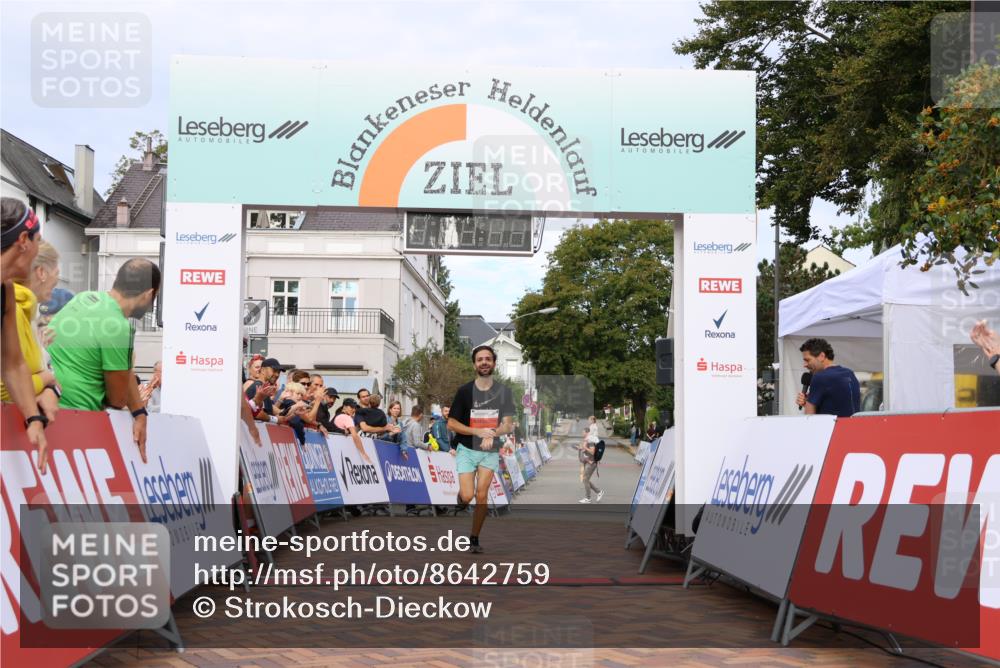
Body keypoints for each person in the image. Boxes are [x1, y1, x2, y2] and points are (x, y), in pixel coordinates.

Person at [48, 258, 160, 462]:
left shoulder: (85, 298)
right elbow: (117, 399)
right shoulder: (118, 326)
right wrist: (136, 409)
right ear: (148, 294)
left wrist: (139, 412)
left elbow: (124, 371)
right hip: (77, 423)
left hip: (45, 410)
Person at [448, 344, 515, 554]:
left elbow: (508, 425)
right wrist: (477, 432)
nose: (484, 362)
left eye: (488, 359)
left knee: (482, 495)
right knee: (468, 495)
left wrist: (491, 433)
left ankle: (474, 538)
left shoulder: (504, 392)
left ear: (494, 363)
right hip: (466, 449)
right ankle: (461, 499)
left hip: (489, 451)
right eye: (480, 359)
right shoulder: (464, 391)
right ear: (474, 365)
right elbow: (451, 423)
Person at [1, 198, 50, 471]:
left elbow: (13, 363)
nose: (38, 251)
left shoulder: (6, 290)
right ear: (23, 240)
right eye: (37, 241)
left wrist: (33, 419)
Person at [796, 338, 861, 417]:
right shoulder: (850, 373)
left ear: (822, 356)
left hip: (832, 425)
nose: (805, 365)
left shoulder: (819, 377)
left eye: (807, 360)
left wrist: (808, 405)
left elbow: (809, 418)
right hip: (853, 424)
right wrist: (809, 401)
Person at [333, 397, 372, 463]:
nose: (353, 410)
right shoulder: (347, 418)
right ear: (344, 407)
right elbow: (355, 436)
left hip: (336, 450)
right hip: (343, 451)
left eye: (355, 408)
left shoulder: (337, 415)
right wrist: (363, 453)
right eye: (351, 407)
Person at [577, 427, 604, 503]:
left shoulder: (591, 441)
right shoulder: (587, 440)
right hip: (588, 462)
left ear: (587, 432)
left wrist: (585, 447)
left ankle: (588, 498)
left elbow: (592, 452)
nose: (582, 433)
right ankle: (599, 492)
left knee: (585, 479)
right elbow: (586, 451)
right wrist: (581, 449)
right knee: (586, 479)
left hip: (591, 463)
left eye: (583, 432)